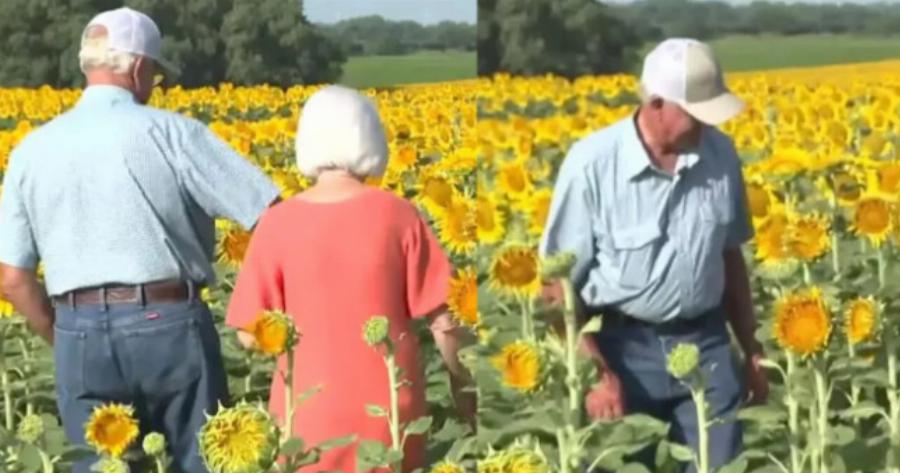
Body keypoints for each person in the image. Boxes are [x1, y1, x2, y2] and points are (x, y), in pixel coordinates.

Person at [0, 7, 280, 473]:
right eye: (155, 74)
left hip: (78, 329)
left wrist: (61, 333)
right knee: (207, 456)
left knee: (100, 464)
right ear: (137, 67)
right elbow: (271, 216)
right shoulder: (173, 133)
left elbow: (12, 277)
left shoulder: (31, 149)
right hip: (169, 322)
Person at [540, 38, 769, 472]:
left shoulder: (719, 155)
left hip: (706, 345)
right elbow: (556, 287)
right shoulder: (592, 164)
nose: (705, 126)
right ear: (657, 103)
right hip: (621, 350)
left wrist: (751, 347)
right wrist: (595, 374)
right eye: (695, 114)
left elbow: (729, 257)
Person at [225, 84, 476, 473]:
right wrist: (466, 398)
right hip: (390, 413)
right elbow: (446, 324)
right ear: (372, 139)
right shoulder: (399, 214)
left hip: (304, 416)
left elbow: (246, 333)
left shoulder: (277, 223)